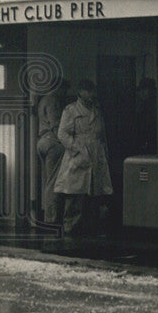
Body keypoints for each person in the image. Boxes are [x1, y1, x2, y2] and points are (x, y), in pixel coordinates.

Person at [54, 79, 113, 236]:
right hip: (79, 154)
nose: (92, 95)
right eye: (89, 91)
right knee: (75, 194)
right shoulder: (71, 110)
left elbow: (102, 135)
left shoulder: (97, 110)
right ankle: (70, 229)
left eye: (93, 91)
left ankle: (92, 228)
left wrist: (104, 153)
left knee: (96, 193)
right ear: (81, 93)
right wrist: (77, 148)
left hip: (96, 153)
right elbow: (62, 134)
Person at [36, 78, 70, 225]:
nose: (65, 93)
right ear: (59, 88)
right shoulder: (53, 101)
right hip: (53, 143)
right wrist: (68, 145)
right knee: (54, 183)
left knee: (49, 181)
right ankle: (52, 220)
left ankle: (49, 217)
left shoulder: (43, 99)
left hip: (42, 141)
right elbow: (56, 125)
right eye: (64, 89)